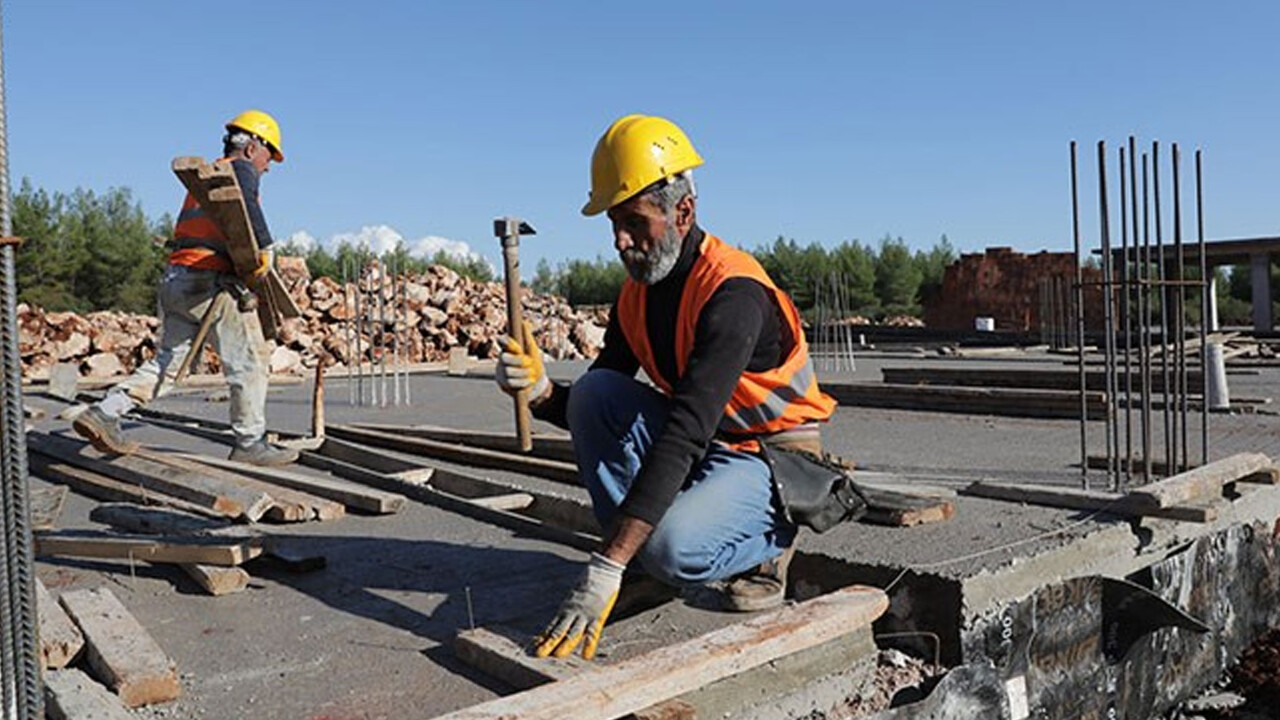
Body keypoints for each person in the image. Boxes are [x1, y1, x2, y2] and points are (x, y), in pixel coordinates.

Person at [495, 114, 837, 660]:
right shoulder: (638, 294)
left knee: (674, 546)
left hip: (774, 459)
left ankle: (769, 545)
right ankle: (643, 561)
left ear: (683, 211)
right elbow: (597, 407)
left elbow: (684, 432)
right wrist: (540, 393)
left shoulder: (733, 294)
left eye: (634, 222)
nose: (620, 242)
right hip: (712, 447)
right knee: (597, 393)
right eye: (613, 225)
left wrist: (604, 566)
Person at [73, 110, 298, 467]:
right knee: (252, 362)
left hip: (178, 279)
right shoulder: (239, 171)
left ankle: (106, 411)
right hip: (210, 283)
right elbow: (249, 214)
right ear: (254, 146)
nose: (268, 166)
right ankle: (250, 443)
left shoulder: (206, 179)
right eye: (269, 156)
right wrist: (266, 250)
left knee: (170, 364)